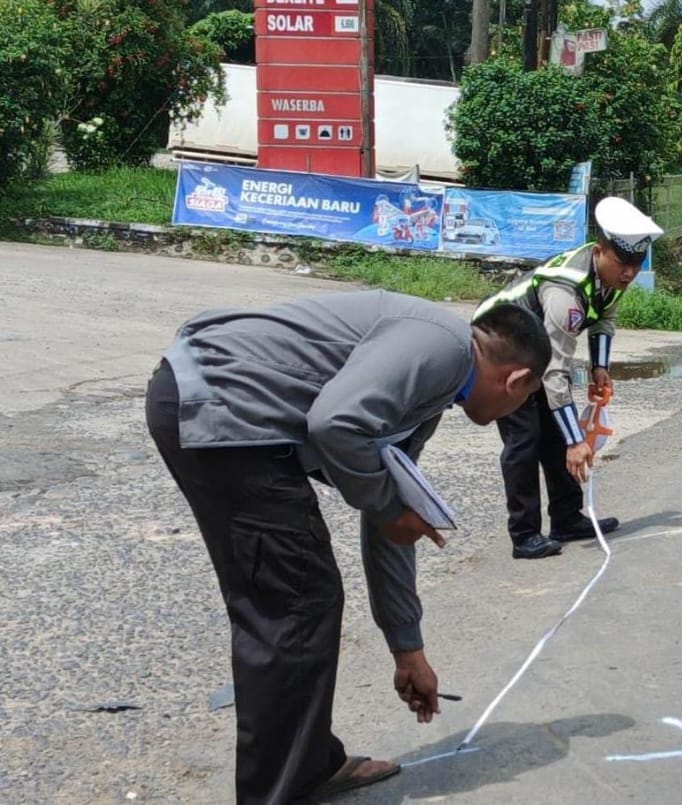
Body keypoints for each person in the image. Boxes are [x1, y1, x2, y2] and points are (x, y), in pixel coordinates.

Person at [145, 291, 551, 803]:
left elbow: (390, 518)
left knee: (302, 597)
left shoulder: (425, 394)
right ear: (516, 380)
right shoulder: (443, 348)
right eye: (521, 400)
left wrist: (408, 650)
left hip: (216, 406)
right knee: (293, 605)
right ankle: (281, 790)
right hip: (224, 409)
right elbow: (335, 424)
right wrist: (388, 507)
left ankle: (308, 765)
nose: (509, 415)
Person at [475, 197, 664, 559]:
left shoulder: (608, 278)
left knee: (556, 430)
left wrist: (600, 367)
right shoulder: (565, 293)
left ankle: (566, 517)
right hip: (496, 352)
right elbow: (554, 372)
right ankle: (524, 534)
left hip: (533, 350)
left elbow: (605, 318)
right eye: (622, 264)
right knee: (525, 438)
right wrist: (578, 442)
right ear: (600, 251)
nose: (628, 274)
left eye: (636, 266)